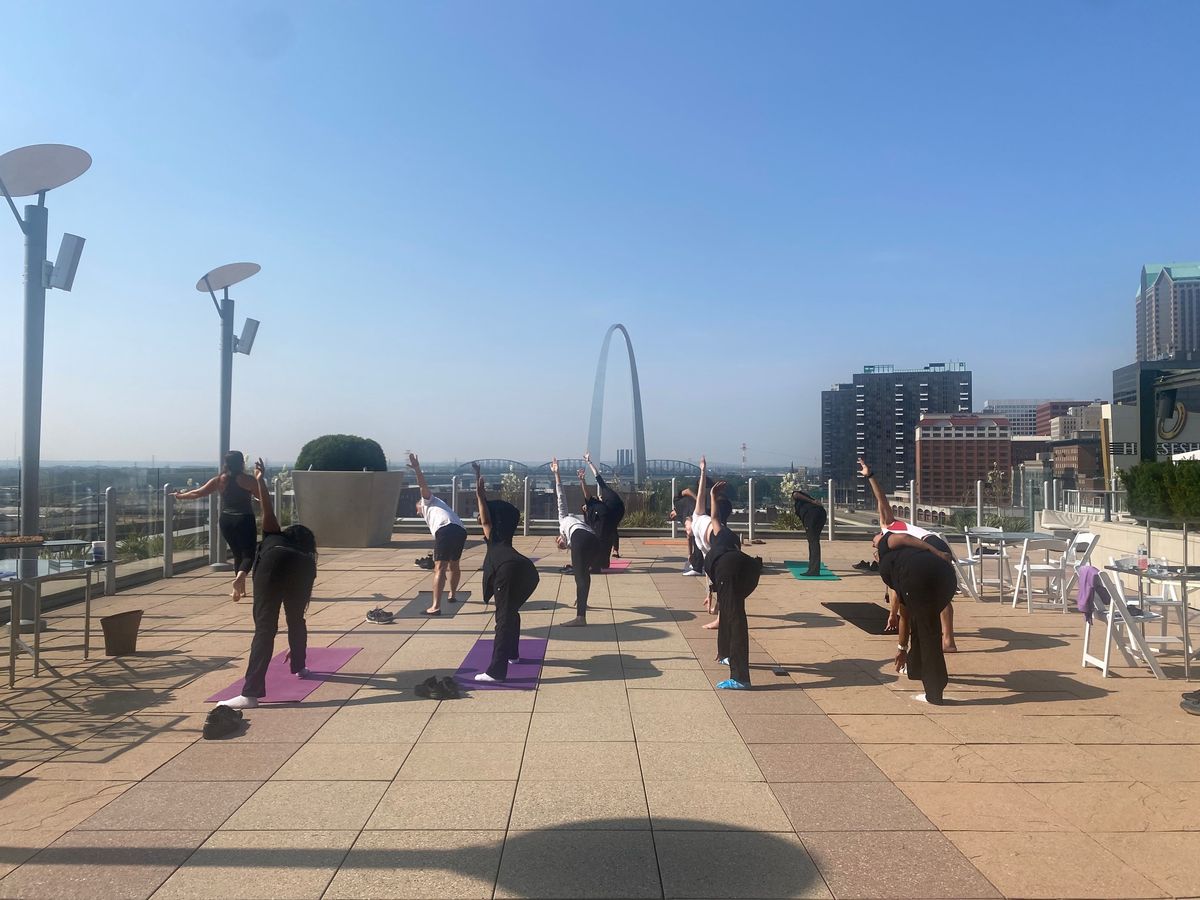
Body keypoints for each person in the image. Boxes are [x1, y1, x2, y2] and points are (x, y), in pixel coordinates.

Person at [218, 458, 318, 710]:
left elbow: (267, 507)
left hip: (272, 566)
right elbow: (299, 615)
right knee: (296, 619)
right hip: (301, 571)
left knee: (265, 628)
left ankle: (250, 694)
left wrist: (260, 480)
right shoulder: (307, 557)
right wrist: (296, 650)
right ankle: (300, 665)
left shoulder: (275, 534)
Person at [859, 458, 957, 651]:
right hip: (934, 543)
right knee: (940, 590)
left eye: (874, 540)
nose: (874, 542)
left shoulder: (889, 527)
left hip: (931, 544)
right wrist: (892, 614)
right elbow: (896, 588)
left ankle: (946, 639)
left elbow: (881, 500)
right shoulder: (892, 546)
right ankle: (948, 641)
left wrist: (869, 476)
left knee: (938, 591)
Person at [473, 463, 539, 683]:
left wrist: (481, 496)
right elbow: (488, 518)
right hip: (528, 572)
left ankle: (496, 671)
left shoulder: (493, 536)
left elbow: (486, 519)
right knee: (510, 612)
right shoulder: (505, 536)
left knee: (503, 618)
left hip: (508, 571)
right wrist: (480, 486)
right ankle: (513, 654)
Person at [873, 529, 956, 704]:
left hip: (920, 579)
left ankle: (935, 691)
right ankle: (916, 668)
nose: (874, 543)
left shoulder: (885, 544)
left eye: (874, 542)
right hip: (946, 577)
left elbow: (904, 613)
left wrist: (901, 649)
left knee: (929, 632)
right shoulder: (902, 556)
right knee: (923, 620)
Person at [174, 450, 262, 602]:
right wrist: (260, 478)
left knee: (236, 554)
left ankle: (239, 592)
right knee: (248, 554)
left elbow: (198, 493)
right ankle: (240, 579)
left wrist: (180, 496)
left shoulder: (219, 480)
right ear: (241, 463)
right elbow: (262, 496)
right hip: (244, 518)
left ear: (226, 463)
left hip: (226, 519)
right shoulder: (247, 480)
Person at [705, 479, 762, 690]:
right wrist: (712, 496)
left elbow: (714, 517)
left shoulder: (717, 540)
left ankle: (740, 677)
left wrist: (712, 496)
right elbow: (715, 516)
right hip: (750, 569)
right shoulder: (728, 536)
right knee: (731, 613)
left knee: (736, 619)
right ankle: (725, 654)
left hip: (729, 570)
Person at [407, 453, 468, 615]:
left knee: (439, 568)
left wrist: (417, 469)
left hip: (445, 529)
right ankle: (453, 594)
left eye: (417, 508)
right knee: (454, 565)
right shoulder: (437, 507)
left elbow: (422, 486)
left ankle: (435, 606)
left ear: (420, 504)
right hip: (459, 530)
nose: (417, 512)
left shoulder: (427, 501)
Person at [551, 457, 600, 627]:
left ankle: (580, 618)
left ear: (559, 536)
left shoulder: (563, 520)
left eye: (558, 542)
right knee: (583, 574)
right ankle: (582, 603)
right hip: (592, 540)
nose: (560, 543)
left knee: (580, 576)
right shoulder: (573, 537)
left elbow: (560, 496)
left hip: (585, 538)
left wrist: (557, 473)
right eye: (561, 546)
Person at [583, 451, 626, 568]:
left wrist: (589, 462)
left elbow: (597, 475)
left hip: (615, 510)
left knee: (609, 530)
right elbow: (597, 475)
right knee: (612, 529)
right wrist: (588, 461)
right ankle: (614, 550)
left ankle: (610, 551)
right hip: (620, 509)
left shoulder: (604, 494)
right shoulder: (607, 493)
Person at [791, 486, 828, 576]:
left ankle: (813, 570)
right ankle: (813, 568)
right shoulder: (808, 501)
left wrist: (812, 501)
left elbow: (796, 494)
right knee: (814, 541)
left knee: (813, 542)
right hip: (821, 514)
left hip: (812, 516)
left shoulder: (800, 498)